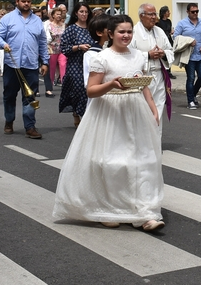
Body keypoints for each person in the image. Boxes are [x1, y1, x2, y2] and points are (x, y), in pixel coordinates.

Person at [53, 15, 164, 231]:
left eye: (129, 31)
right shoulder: (102, 58)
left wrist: (152, 108)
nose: (126, 35)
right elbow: (91, 90)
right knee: (110, 162)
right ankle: (106, 207)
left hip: (135, 110)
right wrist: (111, 85)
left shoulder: (140, 56)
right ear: (110, 34)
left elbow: (144, 85)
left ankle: (144, 213)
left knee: (142, 162)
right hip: (109, 113)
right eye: (121, 32)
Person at [0, 0, 50, 139]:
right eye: (23, 1)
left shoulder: (37, 21)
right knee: (9, 95)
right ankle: (9, 120)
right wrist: (3, 44)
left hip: (31, 65)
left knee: (30, 97)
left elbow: (43, 43)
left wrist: (45, 62)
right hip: (12, 65)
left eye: (29, 1)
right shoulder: (8, 19)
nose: (26, 4)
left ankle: (30, 126)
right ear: (17, 1)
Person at [131, 3, 173, 136]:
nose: (154, 17)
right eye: (151, 14)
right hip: (142, 77)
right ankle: (142, 140)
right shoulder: (133, 32)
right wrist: (147, 55)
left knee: (158, 108)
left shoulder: (159, 31)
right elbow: (129, 55)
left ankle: (156, 140)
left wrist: (163, 53)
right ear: (141, 16)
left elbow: (170, 50)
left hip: (159, 76)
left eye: (155, 14)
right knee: (143, 109)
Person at [59, 2, 96, 128]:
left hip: (91, 64)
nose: (84, 14)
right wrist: (79, 47)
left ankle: (87, 116)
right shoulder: (71, 29)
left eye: (86, 12)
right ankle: (77, 113)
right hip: (76, 64)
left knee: (90, 89)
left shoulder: (92, 28)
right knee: (78, 89)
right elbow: (64, 48)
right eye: (81, 12)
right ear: (76, 13)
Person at [175, 2, 201, 110]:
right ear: (188, 12)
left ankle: (193, 94)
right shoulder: (182, 23)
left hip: (200, 55)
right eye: (193, 11)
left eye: (197, 11)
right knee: (191, 78)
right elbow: (175, 37)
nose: (195, 13)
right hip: (188, 56)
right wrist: (188, 42)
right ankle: (190, 101)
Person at [46, 7, 67, 88]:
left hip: (62, 49)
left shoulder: (64, 25)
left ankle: (64, 84)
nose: (59, 16)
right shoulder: (49, 25)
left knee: (63, 64)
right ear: (53, 15)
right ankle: (49, 85)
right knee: (52, 68)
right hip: (52, 49)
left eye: (60, 14)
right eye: (57, 14)